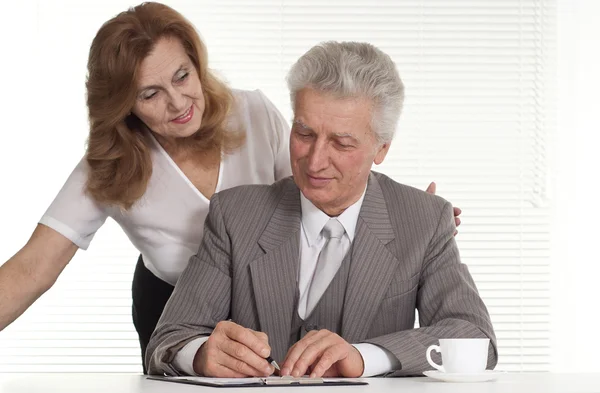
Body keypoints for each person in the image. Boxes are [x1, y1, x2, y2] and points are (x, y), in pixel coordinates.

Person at [0, 2, 460, 373]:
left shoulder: (254, 113)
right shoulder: (106, 167)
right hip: (175, 302)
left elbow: (319, 185)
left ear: (197, 64)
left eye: (182, 76)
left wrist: (404, 216)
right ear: (123, 105)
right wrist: (191, 348)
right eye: (149, 93)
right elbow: (30, 271)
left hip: (268, 289)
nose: (178, 102)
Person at [146, 41, 497, 378]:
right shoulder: (233, 214)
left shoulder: (425, 219)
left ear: (382, 149)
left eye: (341, 143)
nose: (314, 161)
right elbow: (168, 339)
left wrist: (365, 357)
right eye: (304, 133)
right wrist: (201, 353)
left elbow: (475, 337)